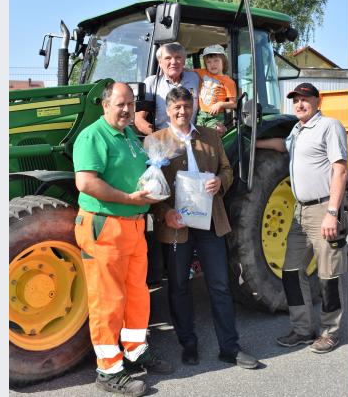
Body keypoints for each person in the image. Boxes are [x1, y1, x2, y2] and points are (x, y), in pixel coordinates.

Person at [74, 82, 173, 396]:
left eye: (131, 104)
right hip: (105, 226)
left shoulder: (131, 135)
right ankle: (109, 369)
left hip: (133, 226)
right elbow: (87, 183)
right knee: (107, 299)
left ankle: (134, 350)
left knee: (136, 293)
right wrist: (129, 199)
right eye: (120, 104)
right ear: (105, 105)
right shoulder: (92, 137)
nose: (127, 109)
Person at [150, 86, 259, 369]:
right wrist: (165, 213)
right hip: (177, 225)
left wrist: (220, 182)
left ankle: (229, 348)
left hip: (210, 222)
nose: (182, 112)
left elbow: (227, 169)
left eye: (187, 107)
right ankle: (188, 344)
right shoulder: (155, 141)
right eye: (177, 108)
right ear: (168, 110)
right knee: (178, 287)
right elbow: (149, 186)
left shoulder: (210, 137)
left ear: (194, 107)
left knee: (220, 285)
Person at [256, 82, 348, 354]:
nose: (299, 104)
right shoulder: (297, 130)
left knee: (328, 275)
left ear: (317, 101)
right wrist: (254, 144)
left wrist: (333, 213)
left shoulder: (329, 126)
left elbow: (340, 170)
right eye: (296, 100)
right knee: (291, 271)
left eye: (305, 99)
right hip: (300, 211)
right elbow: (282, 147)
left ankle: (330, 332)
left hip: (323, 209)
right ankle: (302, 328)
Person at [136, 42, 200, 134]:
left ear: (184, 61)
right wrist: (161, 137)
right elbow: (138, 119)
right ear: (160, 63)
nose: (173, 62)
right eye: (168, 58)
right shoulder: (151, 83)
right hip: (163, 139)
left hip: (192, 138)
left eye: (178, 57)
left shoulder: (195, 78)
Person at [193, 44, 237, 135]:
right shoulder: (203, 73)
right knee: (199, 138)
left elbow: (233, 104)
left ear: (223, 61)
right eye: (209, 62)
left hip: (215, 117)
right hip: (201, 115)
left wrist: (220, 104)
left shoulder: (228, 81)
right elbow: (186, 71)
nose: (212, 64)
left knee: (213, 136)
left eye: (216, 61)